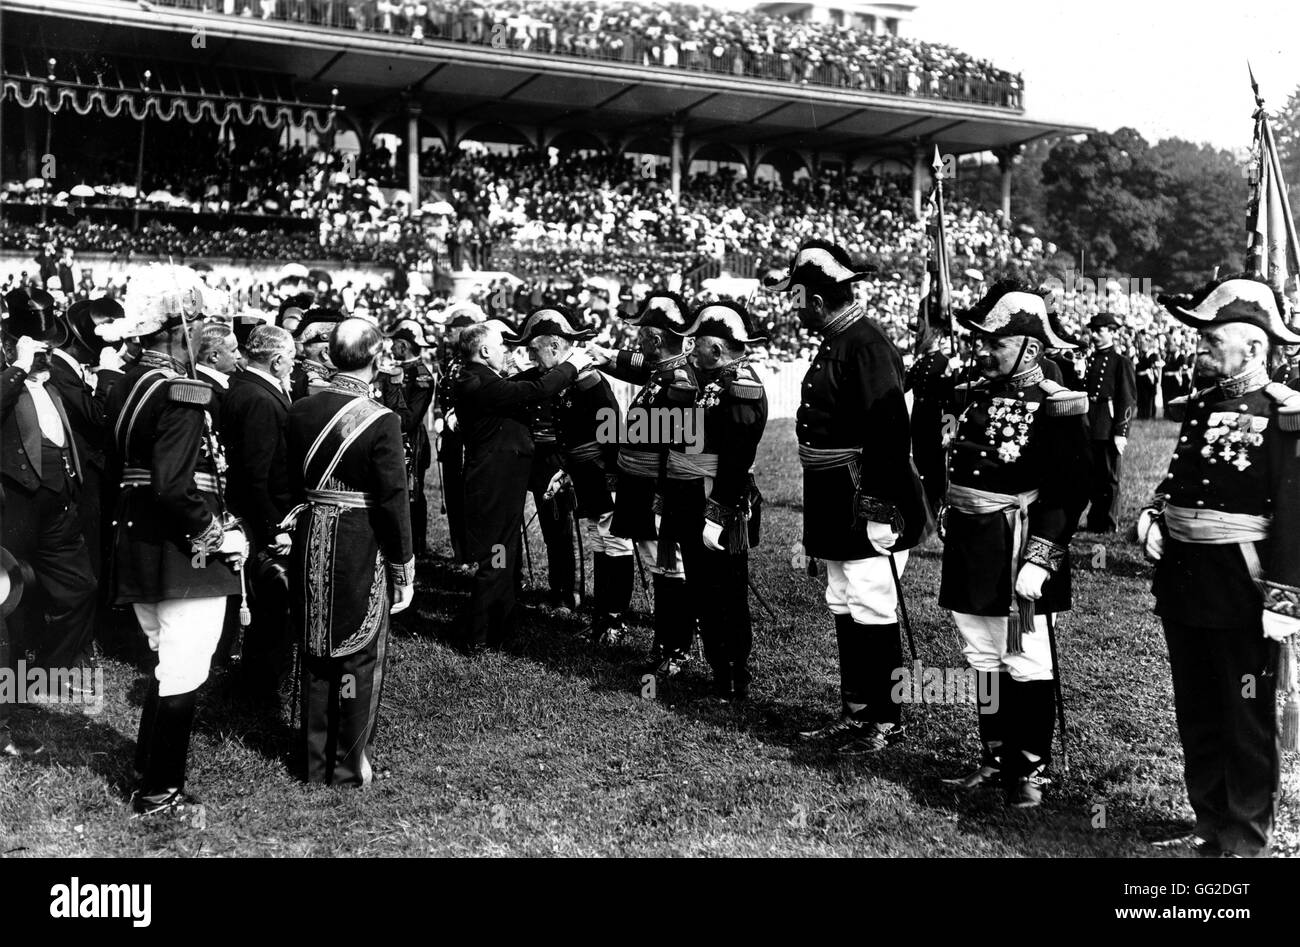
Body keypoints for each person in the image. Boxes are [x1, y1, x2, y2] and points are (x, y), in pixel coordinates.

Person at [1138, 275, 1300, 857]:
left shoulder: (1284, 413)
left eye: (1213, 340)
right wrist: (1154, 513)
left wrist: (1284, 601)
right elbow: (1182, 478)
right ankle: (1208, 822)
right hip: (1186, 579)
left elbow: (1294, 513)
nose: (1202, 348)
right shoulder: (1204, 404)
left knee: (1245, 713)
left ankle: (1247, 837)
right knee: (1198, 708)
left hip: (1243, 585)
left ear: (1254, 348)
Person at [765, 242, 926, 751]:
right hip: (832, 494)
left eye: (795, 298)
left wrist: (881, 510)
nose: (793, 308)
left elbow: (889, 435)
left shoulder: (867, 343)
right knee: (844, 599)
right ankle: (857, 712)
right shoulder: (841, 337)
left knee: (872, 602)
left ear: (815, 299)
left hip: (864, 496)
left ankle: (885, 720)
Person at [100, 265, 246, 816]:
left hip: (139, 544)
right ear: (178, 327)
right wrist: (218, 535)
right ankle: (160, 791)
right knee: (185, 670)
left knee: (168, 665)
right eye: (197, 321)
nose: (201, 331)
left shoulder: (129, 381)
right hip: (181, 550)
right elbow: (174, 486)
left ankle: (146, 768)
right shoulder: (183, 392)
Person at [938, 280, 1091, 808]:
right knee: (981, 653)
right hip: (972, 540)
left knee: (1026, 656)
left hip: (1019, 543)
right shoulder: (976, 390)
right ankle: (995, 755)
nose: (980, 350)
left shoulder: (1057, 404)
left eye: (993, 343)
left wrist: (1042, 556)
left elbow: (1071, 490)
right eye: (979, 341)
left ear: (1029, 347)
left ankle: (1031, 768)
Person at [283, 319, 414, 786]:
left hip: (309, 533)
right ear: (376, 360)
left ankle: (314, 762)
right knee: (358, 652)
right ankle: (348, 764)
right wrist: (404, 568)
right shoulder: (382, 419)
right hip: (359, 539)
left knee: (315, 648)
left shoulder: (300, 408)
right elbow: (394, 500)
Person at [453, 321, 588, 652]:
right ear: (484, 351)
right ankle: (480, 636)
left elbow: (521, 383)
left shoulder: (480, 378)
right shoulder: (479, 383)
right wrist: (575, 364)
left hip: (500, 482)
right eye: (501, 345)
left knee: (504, 554)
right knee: (496, 557)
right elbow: (535, 391)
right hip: (493, 484)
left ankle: (499, 625)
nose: (506, 351)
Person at [660, 300, 767, 700]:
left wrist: (718, 514)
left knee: (725, 592)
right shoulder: (711, 380)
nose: (690, 351)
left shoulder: (740, 386)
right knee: (706, 588)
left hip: (717, 501)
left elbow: (736, 460)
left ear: (717, 350)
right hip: (693, 495)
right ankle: (720, 670)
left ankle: (733, 675)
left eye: (696, 344)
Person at [589, 292, 695, 676]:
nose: (636, 343)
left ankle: (676, 647)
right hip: (640, 483)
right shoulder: (662, 368)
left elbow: (680, 446)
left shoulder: (680, 380)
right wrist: (604, 354)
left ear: (654, 339)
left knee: (669, 566)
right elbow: (632, 363)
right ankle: (666, 642)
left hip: (658, 489)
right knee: (656, 563)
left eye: (642, 336)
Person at [515, 307, 631, 645]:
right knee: (599, 539)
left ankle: (615, 619)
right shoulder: (567, 378)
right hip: (582, 471)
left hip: (602, 472)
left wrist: (611, 477)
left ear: (553, 346)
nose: (531, 357)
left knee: (615, 542)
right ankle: (602, 616)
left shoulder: (588, 379)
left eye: (534, 350)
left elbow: (610, 427)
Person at [0, 287, 99, 682]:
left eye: (49, 346)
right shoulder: (10, 374)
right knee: (11, 590)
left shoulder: (53, 380)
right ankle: (13, 678)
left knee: (80, 587)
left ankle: (48, 674)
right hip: (15, 500)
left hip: (59, 500)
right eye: (39, 346)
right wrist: (19, 368)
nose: (47, 353)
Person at [221, 325, 296, 705]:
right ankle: (260, 689)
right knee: (270, 608)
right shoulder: (261, 399)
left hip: (256, 513)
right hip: (265, 517)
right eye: (292, 359)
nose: (294, 365)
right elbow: (256, 473)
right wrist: (275, 526)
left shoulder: (244, 387)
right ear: (278, 361)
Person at [386, 318, 439, 557]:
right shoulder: (396, 370)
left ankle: (416, 547)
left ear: (405, 346)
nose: (391, 348)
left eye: (395, 343)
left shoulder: (421, 376)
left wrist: (394, 388)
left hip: (411, 443)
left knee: (413, 497)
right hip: (395, 438)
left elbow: (409, 420)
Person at [1082, 312, 1136, 532]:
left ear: (1113, 333)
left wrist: (1121, 431)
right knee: (1092, 474)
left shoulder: (1121, 362)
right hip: (1089, 422)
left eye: (1099, 331)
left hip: (1108, 421)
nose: (1093, 335)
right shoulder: (1090, 359)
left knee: (1109, 477)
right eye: (1092, 331)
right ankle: (1095, 519)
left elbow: (1128, 398)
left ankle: (1108, 522)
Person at [433, 313, 476, 566]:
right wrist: (441, 415)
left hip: (468, 435)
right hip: (451, 435)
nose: (447, 334)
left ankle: (473, 553)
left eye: (451, 330)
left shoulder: (473, 361)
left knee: (469, 493)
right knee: (453, 492)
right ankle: (460, 553)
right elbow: (442, 392)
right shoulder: (449, 361)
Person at [904, 326, 950, 519]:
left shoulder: (945, 363)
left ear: (937, 336)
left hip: (936, 418)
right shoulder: (920, 362)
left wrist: (949, 429)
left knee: (936, 464)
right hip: (919, 417)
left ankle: (935, 505)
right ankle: (921, 502)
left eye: (923, 334)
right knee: (920, 459)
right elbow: (903, 386)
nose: (919, 337)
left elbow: (951, 402)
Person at [1134, 334, 1163, 420]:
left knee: (1149, 398)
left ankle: (1149, 414)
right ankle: (1142, 414)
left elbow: (1156, 367)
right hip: (1141, 379)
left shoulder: (1154, 355)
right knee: (1142, 397)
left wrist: (1157, 380)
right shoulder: (1140, 355)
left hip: (1149, 379)